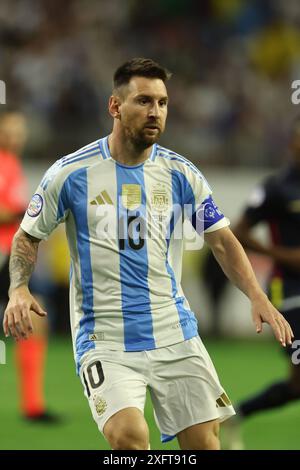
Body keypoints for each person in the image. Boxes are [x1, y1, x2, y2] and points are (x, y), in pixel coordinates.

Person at [2, 58, 293, 450]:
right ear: (115, 107)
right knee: (129, 437)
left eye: (162, 102)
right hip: (104, 337)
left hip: (174, 332)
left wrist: (257, 296)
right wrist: (18, 288)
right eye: (143, 101)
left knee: (206, 444)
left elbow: (223, 240)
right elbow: (26, 236)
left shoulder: (181, 175)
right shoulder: (69, 174)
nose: (155, 111)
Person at [224, 117, 300, 449]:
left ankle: (237, 414)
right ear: (292, 143)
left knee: (297, 387)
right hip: (290, 292)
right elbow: (237, 231)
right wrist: (281, 254)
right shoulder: (276, 188)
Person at [0, 110, 54, 422]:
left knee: (36, 321)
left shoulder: (12, 164)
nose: (16, 137)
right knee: (35, 319)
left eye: (20, 131)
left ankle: (32, 405)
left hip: (10, 257)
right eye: (9, 131)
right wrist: (32, 214)